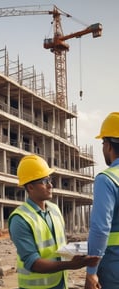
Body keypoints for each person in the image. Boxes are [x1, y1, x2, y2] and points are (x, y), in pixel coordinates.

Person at [8, 154, 100, 289]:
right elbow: (33, 263)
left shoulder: (55, 210)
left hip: (61, 283)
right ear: (30, 187)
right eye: (44, 181)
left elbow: (60, 247)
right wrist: (71, 265)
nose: (50, 185)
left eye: (50, 180)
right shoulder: (20, 219)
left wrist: (80, 252)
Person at [85, 112, 119, 289]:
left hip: (114, 268)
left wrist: (91, 272)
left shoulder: (107, 179)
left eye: (103, 142)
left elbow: (100, 229)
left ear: (109, 145)